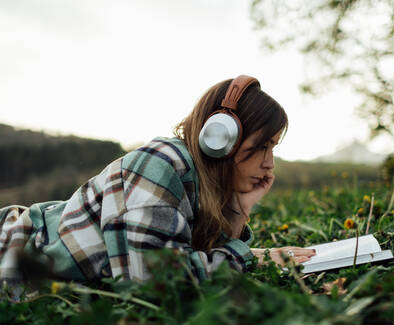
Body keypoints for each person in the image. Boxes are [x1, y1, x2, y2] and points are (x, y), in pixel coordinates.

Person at [0, 75, 315, 288]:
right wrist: (244, 259)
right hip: (12, 251)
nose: (269, 163)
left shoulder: (204, 184)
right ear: (222, 137)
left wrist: (240, 211)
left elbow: (201, 255)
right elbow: (151, 278)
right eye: (262, 145)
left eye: (273, 148)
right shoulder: (161, 163)